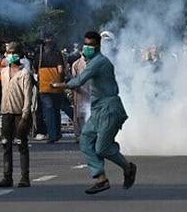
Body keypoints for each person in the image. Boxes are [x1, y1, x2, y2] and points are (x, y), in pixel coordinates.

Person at [53, 31, 137, 195]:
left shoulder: (100, 62)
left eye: (90, 45)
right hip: (98, 109)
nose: (87, 48)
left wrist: (60, 85)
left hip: (109, 109)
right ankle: (101, 178)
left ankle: (128, 168)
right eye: (85, 44)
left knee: (102, 148)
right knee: (85, 140)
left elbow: (80, 80)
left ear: (98, 46)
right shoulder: (92, 61)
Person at [0, 42, 34, 188]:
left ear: (20, 55)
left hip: (19, 113)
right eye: (8, 53)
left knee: (21, 144)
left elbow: (28, 96)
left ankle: (24, 178)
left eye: (13, 52)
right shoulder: (3, 72)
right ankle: (7, 177)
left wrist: (25, 116)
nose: (11, 55)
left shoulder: (24, 74)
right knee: (6, 145)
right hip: (6, 112)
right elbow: (0, 89)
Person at [36, 35, 74, 143]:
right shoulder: (57, 54)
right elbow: (60, 70)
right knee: (56, 110)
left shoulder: (39, 55)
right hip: (57, 85)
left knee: (48, 111)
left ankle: (52, 135)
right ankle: (57, 133)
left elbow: (35, 71)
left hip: (44, 86)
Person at [71, 53, 90, 140]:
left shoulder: (76, 63)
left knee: (79, 113)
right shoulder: (77, 63)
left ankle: (79, 134)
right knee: (82, 113)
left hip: (81, 90)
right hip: (83, 90)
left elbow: (73, 78)